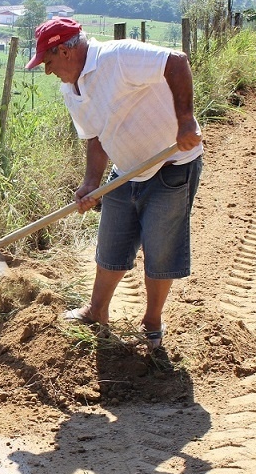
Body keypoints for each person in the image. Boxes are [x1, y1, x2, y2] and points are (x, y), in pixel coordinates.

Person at [25, 17, 203, 350]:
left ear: (64, 51)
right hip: (124, 170)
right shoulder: (71, 88)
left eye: (47, 62)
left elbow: (176, 61)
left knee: (160, 249)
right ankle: (96, 311)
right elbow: (96, 136)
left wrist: (185, 120)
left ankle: (152, 321)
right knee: (110, 244)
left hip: (171, 164)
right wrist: (91, 182)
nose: (47, 71)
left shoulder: (117, 57)